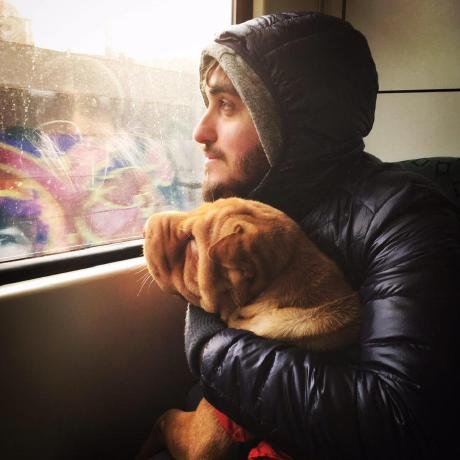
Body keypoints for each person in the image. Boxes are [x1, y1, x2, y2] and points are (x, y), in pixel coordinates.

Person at [154, 11, 460, 459]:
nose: (200, 132)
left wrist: (212, 347)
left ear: (291, 123)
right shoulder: (250, 215)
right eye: (207, 103)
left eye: (227, 105)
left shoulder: (406, 217)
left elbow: (399, 421)